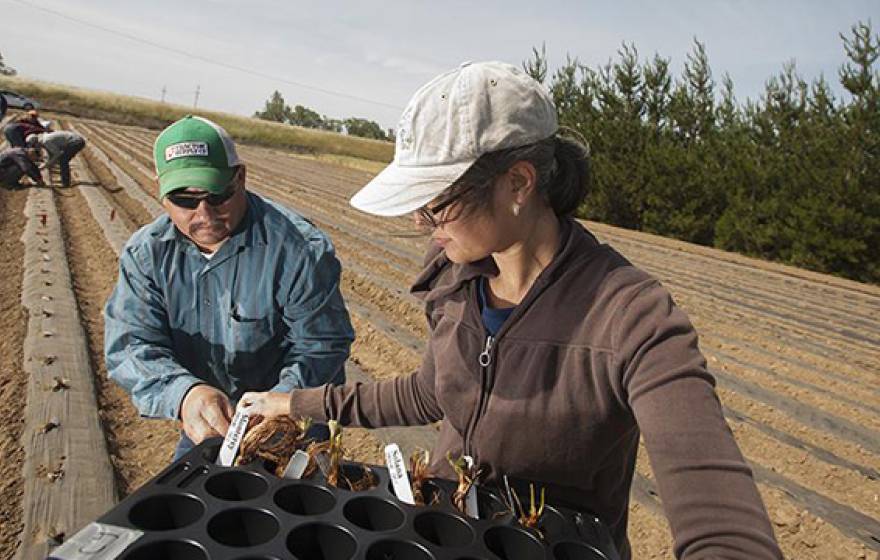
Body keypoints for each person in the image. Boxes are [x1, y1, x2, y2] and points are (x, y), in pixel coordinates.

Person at [239, 62, 783, 559]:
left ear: (518, 183)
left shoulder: (629, 315)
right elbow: (433, 391)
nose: (420, 222)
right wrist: (298, 403)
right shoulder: (455, 276)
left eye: (438, 202)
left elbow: (720, 514)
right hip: (444, 533)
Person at [104, 115, 355, 460]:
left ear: (241, 178)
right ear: (159, 191)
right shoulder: (146, 254)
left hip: (289, 418)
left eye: (218, 195)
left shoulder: (299, 249)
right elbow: (132, 343)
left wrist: (277, 405)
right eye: (185, 200)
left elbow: (321, 346)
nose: (204, 214)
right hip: (213, 419)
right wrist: (185, 394)